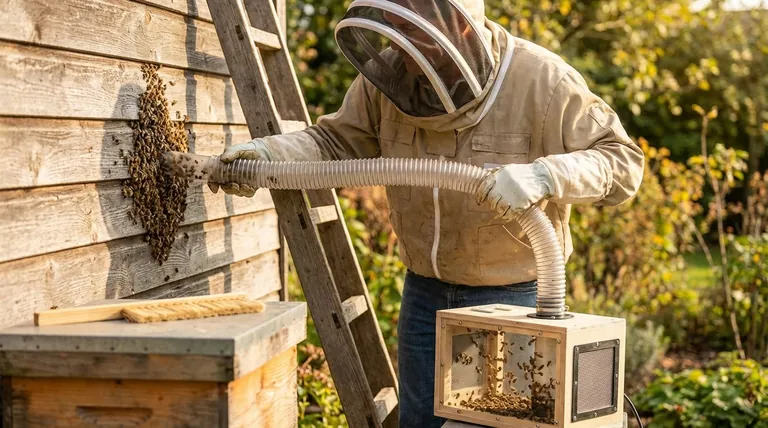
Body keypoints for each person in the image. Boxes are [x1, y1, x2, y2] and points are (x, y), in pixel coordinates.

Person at [209, 1, 644, 426]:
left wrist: (545, 175)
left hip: (516, 298)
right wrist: (266, 154)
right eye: (403, 29)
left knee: (505, 423)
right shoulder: (389, 78)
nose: (408, 53)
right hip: (425, 295)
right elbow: (334, 144)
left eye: (419, 33)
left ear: (462, 30)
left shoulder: (542, 81)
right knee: (421, 421)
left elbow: (623, 163)